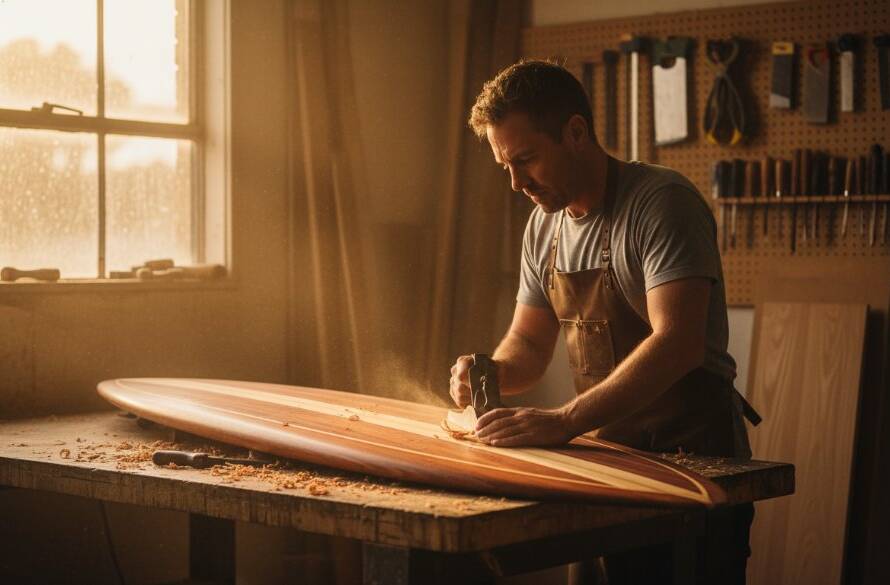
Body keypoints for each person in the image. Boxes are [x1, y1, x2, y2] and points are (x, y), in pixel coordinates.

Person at [448, 60, 759, 584]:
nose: (516, 183)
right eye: (506, 165)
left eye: (526, 160)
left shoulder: (661, 204)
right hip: (607, 456)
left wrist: (565, 420)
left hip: (691, 459)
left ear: (575, 132)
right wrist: (492, 373)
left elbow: (678, 342)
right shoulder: (543, 226)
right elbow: (527, 342)